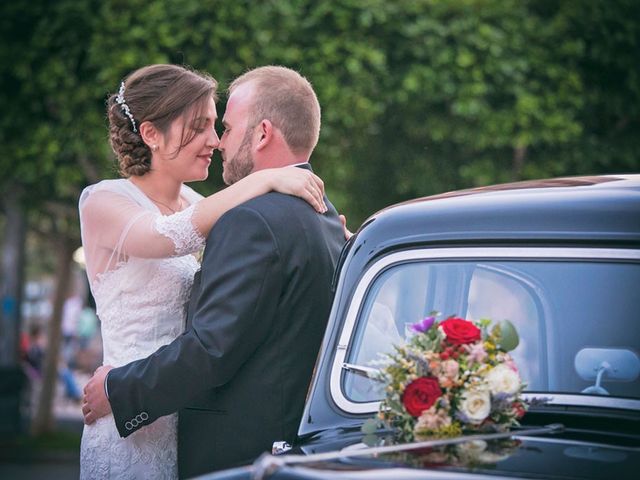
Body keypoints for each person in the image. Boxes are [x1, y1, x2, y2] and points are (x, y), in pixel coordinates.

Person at [82, 65, 345, 478]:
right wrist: (269, 179)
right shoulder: (107, 201)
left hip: (160, 403)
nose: (217, 141)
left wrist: (120, 390)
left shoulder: (244, 217)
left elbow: (212, 346)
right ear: (150, 133)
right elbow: (163, 237)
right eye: (201, 126)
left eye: (220, 125)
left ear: (261, 134)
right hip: (135, 422)